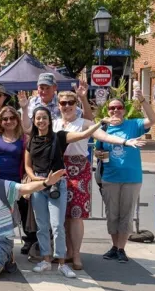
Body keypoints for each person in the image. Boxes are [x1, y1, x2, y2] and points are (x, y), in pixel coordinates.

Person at [53, 90, 145, 270]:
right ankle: (67, 252)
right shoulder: (54, 124)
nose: (67, 106)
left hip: (79, 170)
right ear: (58, 105)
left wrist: (124, 142)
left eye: (71, 102)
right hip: (58, 169)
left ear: (76, 104)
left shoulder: (84, 123)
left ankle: (77, 255)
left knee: (76, 215)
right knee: (61, 215)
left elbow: (103, 136)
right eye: (63, 103)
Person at [24, 107, 104, 277]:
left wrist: (100, 124)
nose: (41, 121)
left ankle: (61, 263)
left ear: (49, 120)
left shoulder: (59, 136)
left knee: (57, 225)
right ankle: (46, 260)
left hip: (57, 183)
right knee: (42, 225)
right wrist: (36, 180)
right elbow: (27, 166)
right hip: (39, 184)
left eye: (44, 118)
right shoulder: (31, 140)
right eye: (38, 118)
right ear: (34, 120)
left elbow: (83, 135)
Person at [97, 93, 155, 263]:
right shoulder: (104, 128)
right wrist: (100, 154)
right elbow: (98, 150)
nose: (115, 110)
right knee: (112, 214)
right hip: (110, 177)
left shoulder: (133, 125)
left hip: (131, 177)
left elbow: (152, 120)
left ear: (124, 110)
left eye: (119, 107)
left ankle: (121, 248)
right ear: (107, 111)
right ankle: (114, 246)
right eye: (112, 108)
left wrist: (143, 100)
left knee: (126, 214)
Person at [0, 105, 37, 253]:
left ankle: (30, 239)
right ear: (0, 121)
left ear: (17, 120)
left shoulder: (25, 138)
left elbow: (29, 160)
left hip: (17, 180)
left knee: (24, 210)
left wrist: (28, 177)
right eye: (5, 119)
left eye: (12, 118)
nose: (8, 121)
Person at [25, 73, 91, 124]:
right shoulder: (32, 102)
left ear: (55, 87)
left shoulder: (63, 102)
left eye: (48, 88)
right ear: (37, 88)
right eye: (41, 88)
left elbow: (88, 120)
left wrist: (83, 99)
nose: (44, 91)